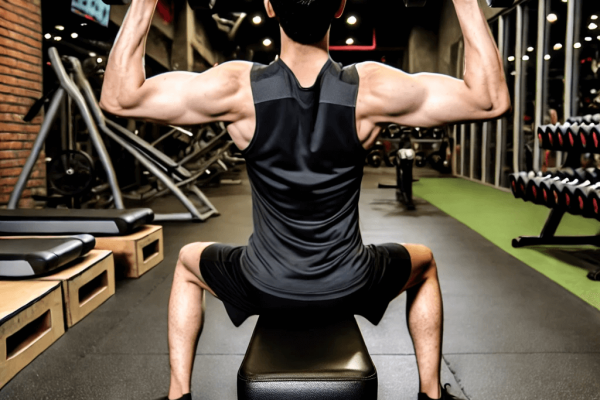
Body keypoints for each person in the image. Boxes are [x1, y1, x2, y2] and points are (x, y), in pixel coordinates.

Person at [100, 0, 510, 399]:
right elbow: (491, 100)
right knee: (424, 262)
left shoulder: (235, 87)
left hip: (263, 283)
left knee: (189, 261)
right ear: (338, 7)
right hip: (351, 282)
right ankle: (431, 394)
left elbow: (118, 97)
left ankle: (178, 396)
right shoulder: (372, 88)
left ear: (270, 6)